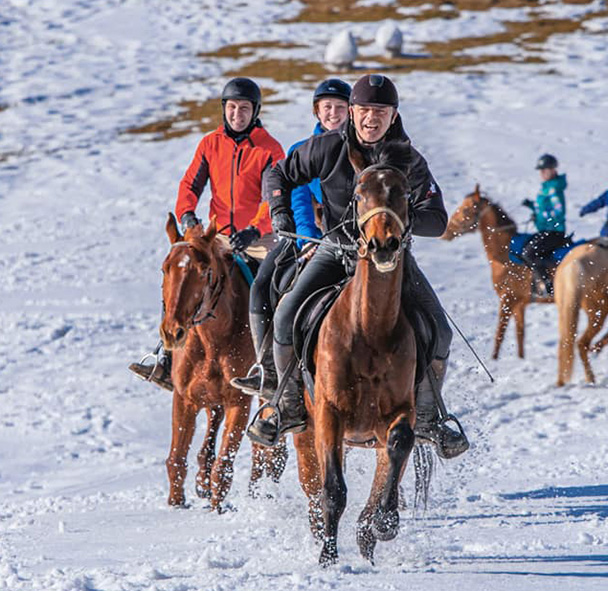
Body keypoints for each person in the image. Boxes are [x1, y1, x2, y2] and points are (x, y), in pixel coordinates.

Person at [247, 74, 470, 459]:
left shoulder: (410, 160)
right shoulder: (327, 147)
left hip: (391, 260)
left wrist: (395, 224)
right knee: (284, 316)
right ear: (351, 112)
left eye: (380, 111)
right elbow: (278, 174)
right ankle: (285, 405)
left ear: (394, 114)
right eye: (365, 110)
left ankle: (430, 417)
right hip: (337, 250)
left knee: (441, 331)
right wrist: (280, 214)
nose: (372, 119)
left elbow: (437, 219)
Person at [128, 77, 285, 391]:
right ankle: (166, 358)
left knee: (273, 289)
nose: (236, 114)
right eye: (231, 107)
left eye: (244, 108)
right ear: (223, 109)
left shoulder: (269, 149)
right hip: (218, 236)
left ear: (255, 112)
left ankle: (270, 367)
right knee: (180, 277)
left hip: (257, 238)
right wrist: (187, 214)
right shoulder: (210, 144)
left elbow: (273, 198)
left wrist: (255, 228)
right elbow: (190, 185)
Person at [231, 78, 352, 398]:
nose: (333, 114)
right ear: (317, 111)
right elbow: (298, 200)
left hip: (356, 242)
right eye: (327, 108)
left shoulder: (360, 149)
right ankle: (268, 370)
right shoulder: (302, 151)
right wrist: (308, 241)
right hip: (309, 238)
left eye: (340, 108)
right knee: (262, 286)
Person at [519, 153, 571, 293]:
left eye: (545, 169)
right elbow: (543, 207)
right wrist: (531, 206)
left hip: (554, 231)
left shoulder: (553, 189)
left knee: (529, 253)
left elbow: (559, 211)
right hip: (545, 230)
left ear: (553, 169)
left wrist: (542, 215)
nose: (541, 173)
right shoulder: (546, 187)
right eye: (540, 170)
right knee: (523, 247)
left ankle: (548, 285)